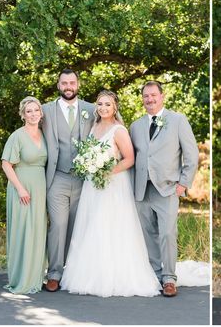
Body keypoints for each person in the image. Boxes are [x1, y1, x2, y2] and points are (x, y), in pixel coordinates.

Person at [61, 90, 161, 297]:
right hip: (92, 185)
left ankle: (114, 276)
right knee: (91, 225)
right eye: (100, 104)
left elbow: (129, 159)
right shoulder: (94, 126)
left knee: (110, 225)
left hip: (112, 184)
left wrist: (107, 171)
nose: (103, 108)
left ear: (115, 107)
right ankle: (91, 274)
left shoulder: (119, 130)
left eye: (107, 104)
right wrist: (89, 165)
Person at [130, 81, 199, 297]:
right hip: (142, 188)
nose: (149, 99)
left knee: (168, 233)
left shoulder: (178, 120)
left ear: (162, 96)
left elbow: (192, 154)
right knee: (147, 233)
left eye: (153, 95)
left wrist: (183, 184)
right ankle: (154, 274)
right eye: (145, 96)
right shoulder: (135, 126)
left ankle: (169, 278)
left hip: (168, 188)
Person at [41, 69, 95, 292]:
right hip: (58, 177)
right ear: (58, 85)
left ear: (78, 84)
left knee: (78, 225)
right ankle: (54, 273)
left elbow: (110, 130)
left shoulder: (92, 109)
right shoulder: (44, 110)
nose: (68, 86)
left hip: (85, 180)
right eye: (64, 83)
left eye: (72, 82)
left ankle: (73, 272)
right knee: (59, 225)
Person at [1, 96, 47, 294]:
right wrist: (20, 188)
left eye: (36, 110)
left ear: (41, 113)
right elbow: (6, 164)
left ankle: (35, 277)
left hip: (40, 189)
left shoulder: (45, 135)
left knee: (37, 232)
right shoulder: (17, 136)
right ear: (23, 114)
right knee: (22, 233)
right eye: (29, 111)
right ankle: (21, 279)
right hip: (22, 189)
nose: (33, 114)